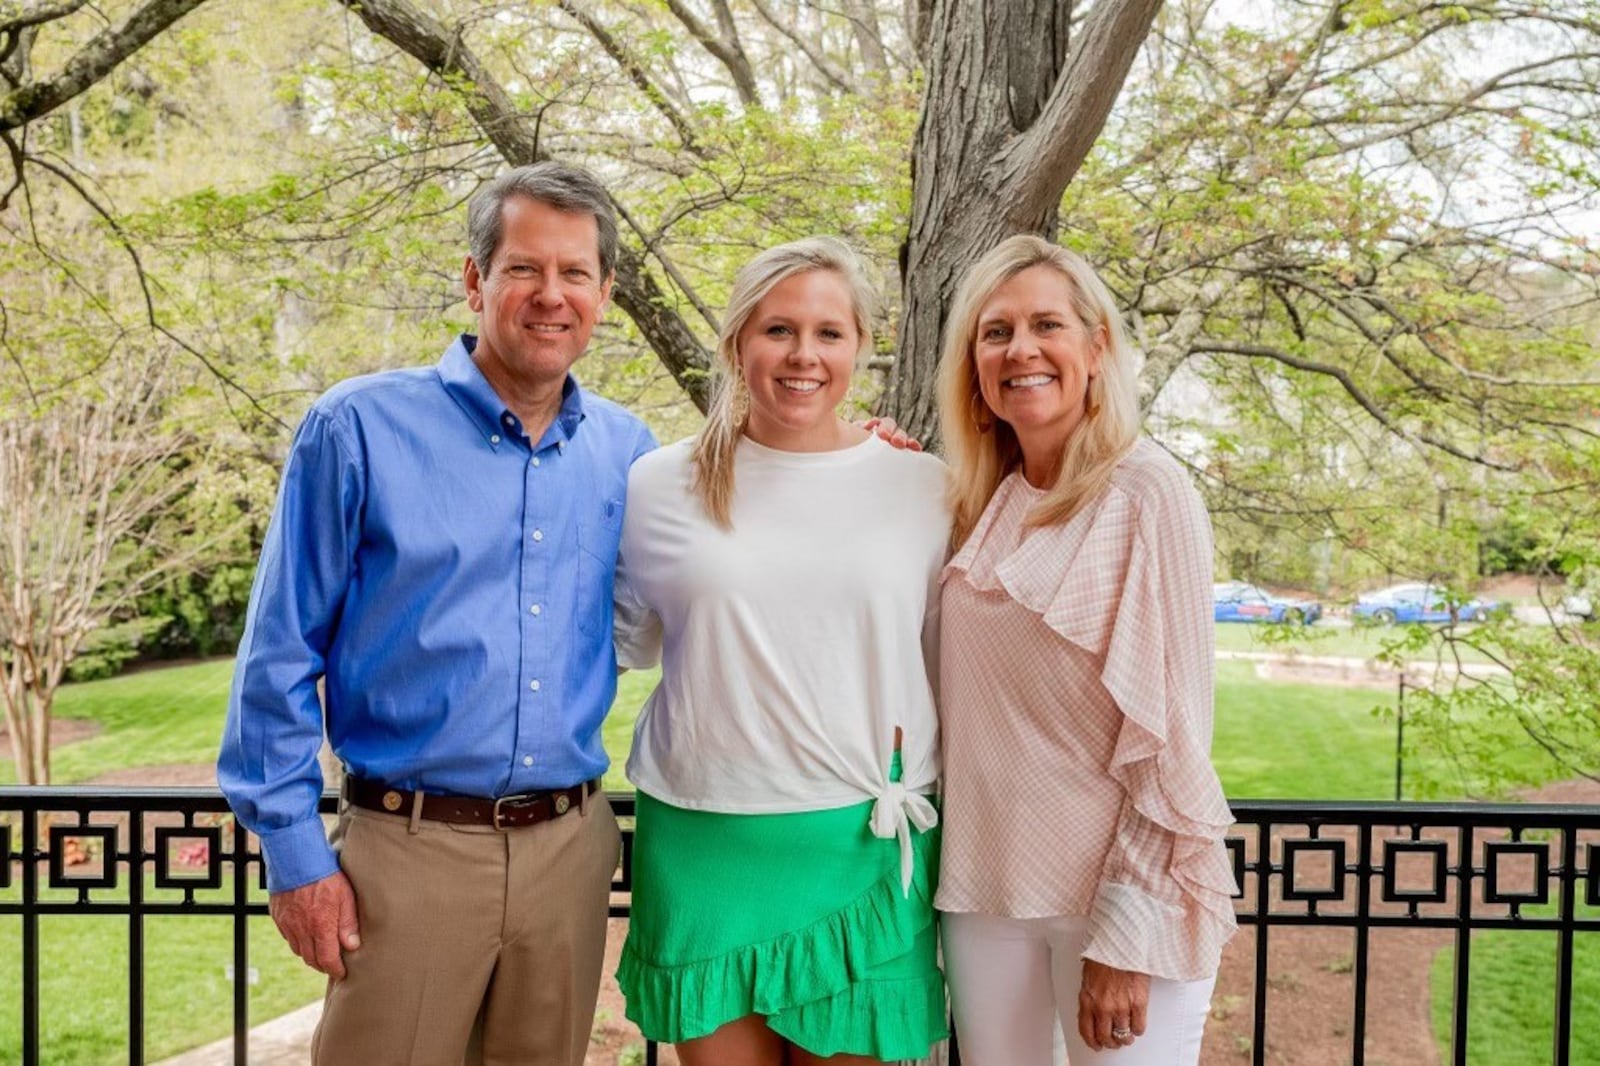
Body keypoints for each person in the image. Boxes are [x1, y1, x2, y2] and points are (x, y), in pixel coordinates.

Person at [217, 162, 656, 1066]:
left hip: (571, 852)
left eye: (576, 273)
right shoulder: (356, 429)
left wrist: (863, 454)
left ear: (605, 294)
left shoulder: (629, 453)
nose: (551, 295)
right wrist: (296, 856)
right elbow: (278, 655)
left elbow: (739, 537)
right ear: (474, 279)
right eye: (524, 268)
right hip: (405, 855)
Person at [611, 237, 951, 1065]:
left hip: (861, 847)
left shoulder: (926, 487)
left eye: (830, 334)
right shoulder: (657, 485)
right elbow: (622, 646)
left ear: (862, 348)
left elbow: (953, 660)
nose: (804, 355)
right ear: (737, 344)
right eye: (778, 331)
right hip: (705, 846)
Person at [933, 234, 1237, 1065]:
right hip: (981, 894)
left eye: (1047, 326)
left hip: (1111, 902)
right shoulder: (977, 500)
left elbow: (1176, 734)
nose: (1020, 350)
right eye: (995, 332)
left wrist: (1128, 929)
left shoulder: (1148, 491)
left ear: (1096, 347)